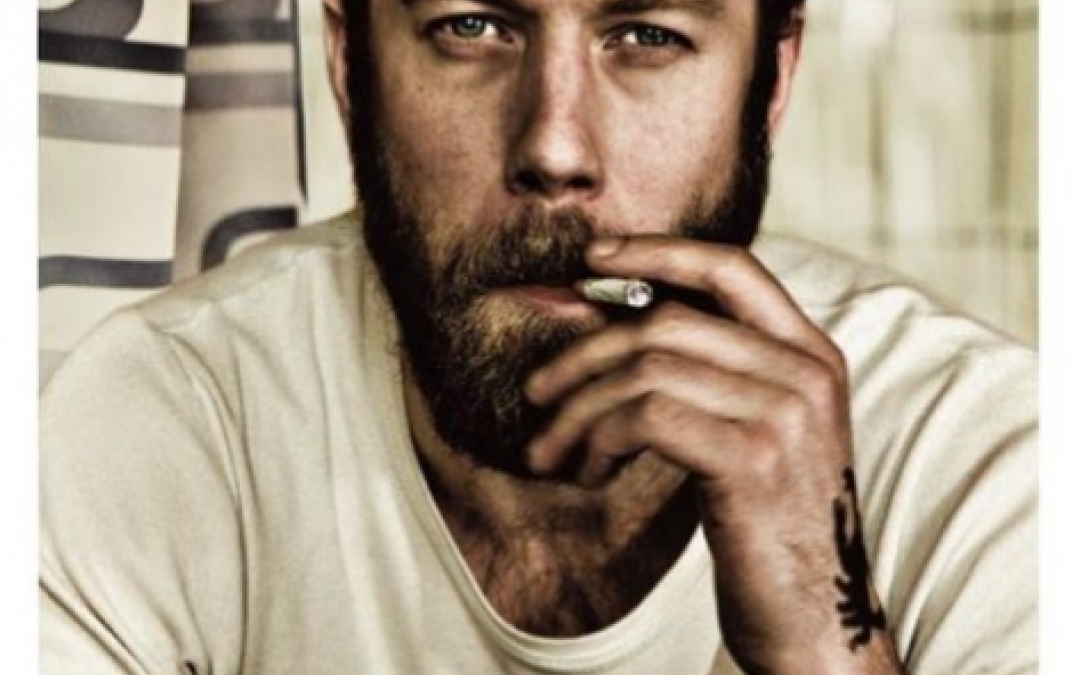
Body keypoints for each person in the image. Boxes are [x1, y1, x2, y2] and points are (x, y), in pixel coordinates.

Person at [39, 0, 1036, 673]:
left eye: (646, 34)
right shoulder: (163, 419)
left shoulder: (984, 453)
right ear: (349, 63)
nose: (555, 148)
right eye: (470, 26)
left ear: (771, 78)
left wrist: (826, 638)